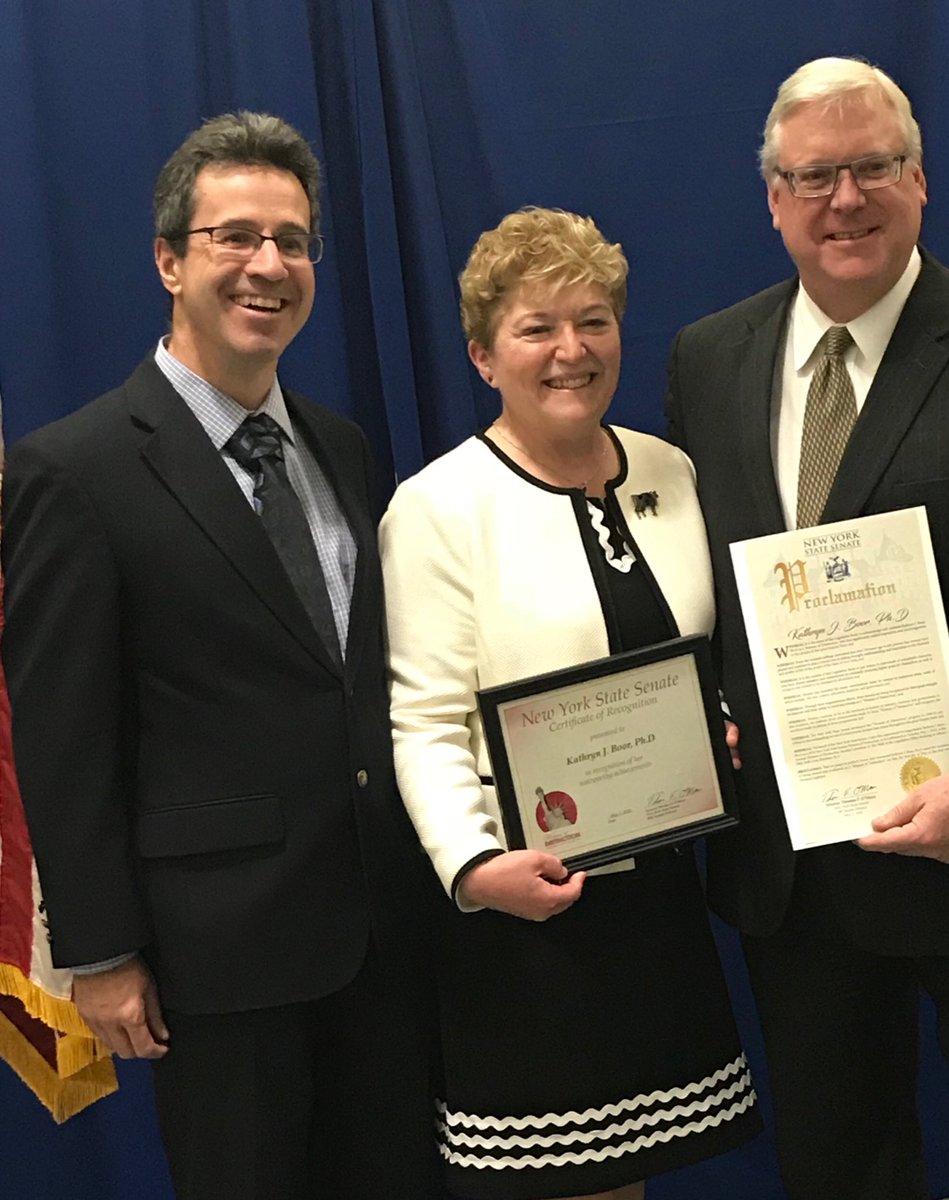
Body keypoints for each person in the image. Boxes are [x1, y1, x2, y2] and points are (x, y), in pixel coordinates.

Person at [666, 57, 949, 1200]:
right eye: (815, 175)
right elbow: (709, 584)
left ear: (921, 184)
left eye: (873, 167)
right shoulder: (708, 361)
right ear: (773, 199)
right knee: (840, 1162)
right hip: (799, 867)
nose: (846, 200)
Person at [2, 112, 440, 1198]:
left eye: (293, 241)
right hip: (217, 957)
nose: (268, 265)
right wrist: (100, 955)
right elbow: (63, 737)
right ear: (168, 260)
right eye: (234, 236)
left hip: (381, 935)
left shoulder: (338, 448)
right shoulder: (74, 470)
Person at [379, 207, 761, 1200]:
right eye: (536, 327)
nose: (570, 350)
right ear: (482, 353)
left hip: (655, 894)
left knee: (628, 1178)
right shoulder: (437, 509)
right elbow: (421, 721)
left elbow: (698, 656)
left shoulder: (671, 472)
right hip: (526, 904)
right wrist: (474, 867)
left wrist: (714, 726)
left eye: (592, 320)